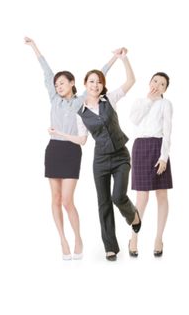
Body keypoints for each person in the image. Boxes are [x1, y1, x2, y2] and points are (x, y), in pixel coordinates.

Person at [25, 37, 125, 260]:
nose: (58, 86)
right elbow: (46, 71)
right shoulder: (54, 99)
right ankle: (62, 239)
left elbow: (98, 76)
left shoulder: (81, 100)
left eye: (62, 83)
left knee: (68, 200)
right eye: (56, 84)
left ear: (72, 83)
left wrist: (115, 59)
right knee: (55, 199)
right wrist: (34, 46)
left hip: (71, 151)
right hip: (53, 150)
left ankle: (78, 237)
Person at [49, 47, 141, 261]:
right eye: (91, 81)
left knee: (118, 196)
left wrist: (124, 59)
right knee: (103, 202)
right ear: (85, 85)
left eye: (99, 81)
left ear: (102, 84)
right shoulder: (80, 112)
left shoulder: (111, 98)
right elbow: (82, 140)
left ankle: (133, 215)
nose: (96, 84)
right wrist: (59, 133)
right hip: (100, 160)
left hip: (120, 156)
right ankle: (110, 247)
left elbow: (131, 81)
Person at [128, 72, 173, 258]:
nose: (157, 85)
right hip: (140, 146)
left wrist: (164, 157)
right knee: (141, 198)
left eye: (162, 84)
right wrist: (148, 100)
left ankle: (159, 238)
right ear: (149, 82)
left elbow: (167, 131)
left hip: (158, 147)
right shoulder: (140, 101)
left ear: (165, 89)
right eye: (155, 81)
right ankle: (133, 237)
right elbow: (134, 120)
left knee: (161, 195)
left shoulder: (166, 104)